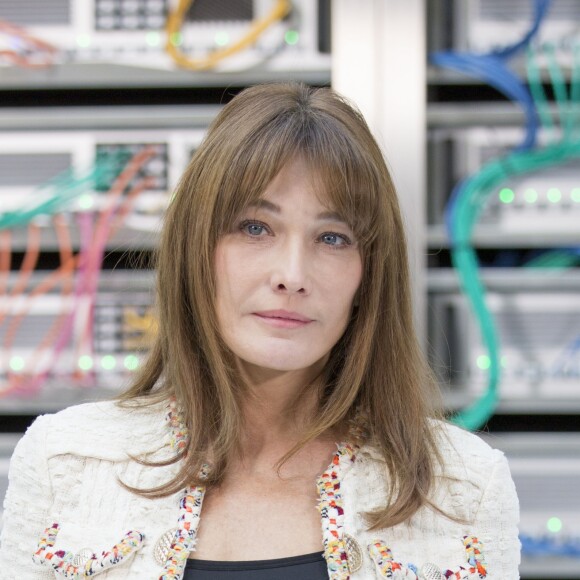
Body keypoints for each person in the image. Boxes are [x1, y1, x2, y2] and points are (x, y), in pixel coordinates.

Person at [0, 83, 520, 580]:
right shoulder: (63, 462)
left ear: (369, 275)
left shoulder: (461, 486)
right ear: (197, 249)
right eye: (255, 227)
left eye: (333, 237)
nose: (292, 275)